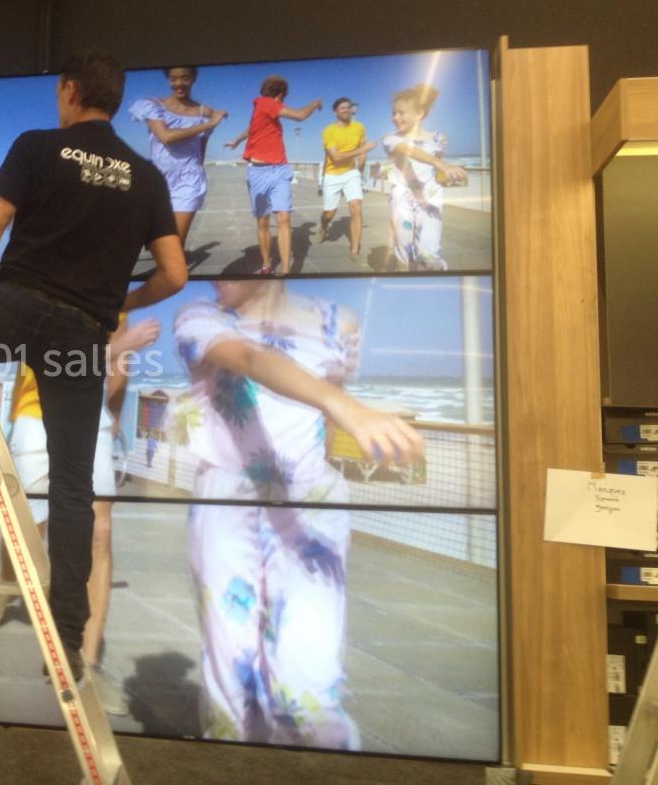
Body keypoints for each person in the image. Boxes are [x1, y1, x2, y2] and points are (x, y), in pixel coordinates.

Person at [0, 49, 187, 681]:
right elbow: (174, 275)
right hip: (80, 331)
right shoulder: (146, 178)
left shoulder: (38, 146)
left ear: (69, 90)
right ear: (116, 101)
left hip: (17, 304)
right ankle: (68, 635)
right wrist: (124, 300)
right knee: (74, 487)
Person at [173, 279, 424, 750]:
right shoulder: (198, 317)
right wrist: (349, 407)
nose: (216, 276)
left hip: (311, 502)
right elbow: (250, 359)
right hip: (226, 498)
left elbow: (325, 417)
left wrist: (345, 421)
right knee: (233, 671)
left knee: (308, 679)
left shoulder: (340, 323)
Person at [0, 315, 160, 715]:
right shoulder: (44, 287)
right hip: (35, 414)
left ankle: (86, 667)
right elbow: (58, 359)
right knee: (29, 530)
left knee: (100, 529)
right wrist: (122, 345)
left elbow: (118, 367)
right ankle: (7, 576)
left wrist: (109, 419)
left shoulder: (116, 297)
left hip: (88, 418)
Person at [225, 76, 322, 275]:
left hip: (279, 170)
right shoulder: (268, 103)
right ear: (281, 95)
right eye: (284, 98)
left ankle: (286, 271)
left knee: (284, 219)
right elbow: (301, 116)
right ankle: (267, 264)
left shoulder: (262, 110)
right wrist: (315, 103)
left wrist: (236, 141)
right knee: (263, 221)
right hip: (258, 172)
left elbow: (252, 129)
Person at [128, 67, 227, 244]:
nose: (179, 84)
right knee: (156, 241)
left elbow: (202, 143)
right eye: (173, 79)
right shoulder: (153, 106)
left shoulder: (204, 111)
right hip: (158, 179)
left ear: (194, 78)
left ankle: (173, 268)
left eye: (184, 78)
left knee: (174, 244)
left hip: (189, 179)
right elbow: (166, 137)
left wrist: (218, 117)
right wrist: (207, 124)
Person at [382, 84, 468, 270]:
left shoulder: (438, 139)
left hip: (430, 199)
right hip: (402, 197)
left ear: (419, 114)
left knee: (430, 255)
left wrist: (448, 173)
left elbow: (436, 169)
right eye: (393, 113)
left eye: (401, 113)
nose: (395, 117)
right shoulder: (390, 138)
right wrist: (440, 164)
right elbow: (408, 150)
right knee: (404, 251)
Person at [317, 98, 377, 262]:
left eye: (348, 107)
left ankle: (355, 250)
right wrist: (362, 150)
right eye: (342, 108)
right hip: (332, 173)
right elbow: (336, 157)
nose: (346, 110)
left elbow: (363, 149)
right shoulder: (328, 131)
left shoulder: (359, 128)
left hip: (351, 172)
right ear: (335, 112)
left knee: (356, 206)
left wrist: (361, 169)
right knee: (330, 213)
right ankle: (323, 227)